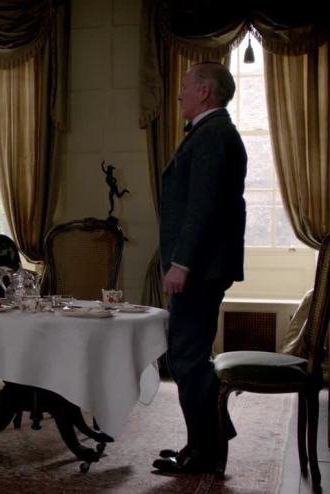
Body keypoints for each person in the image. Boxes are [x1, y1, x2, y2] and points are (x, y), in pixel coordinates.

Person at [153, 61, 247, 474]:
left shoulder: (213, 135)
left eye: (186, 86)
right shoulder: (212, 132)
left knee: (187, 357)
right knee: (189, 355)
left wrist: (181, 263)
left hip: (200, 268)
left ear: (205, 92)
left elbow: (202, 209)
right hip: (205, 267)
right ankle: (207, 440)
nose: (180, 94)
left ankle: (204, 452)